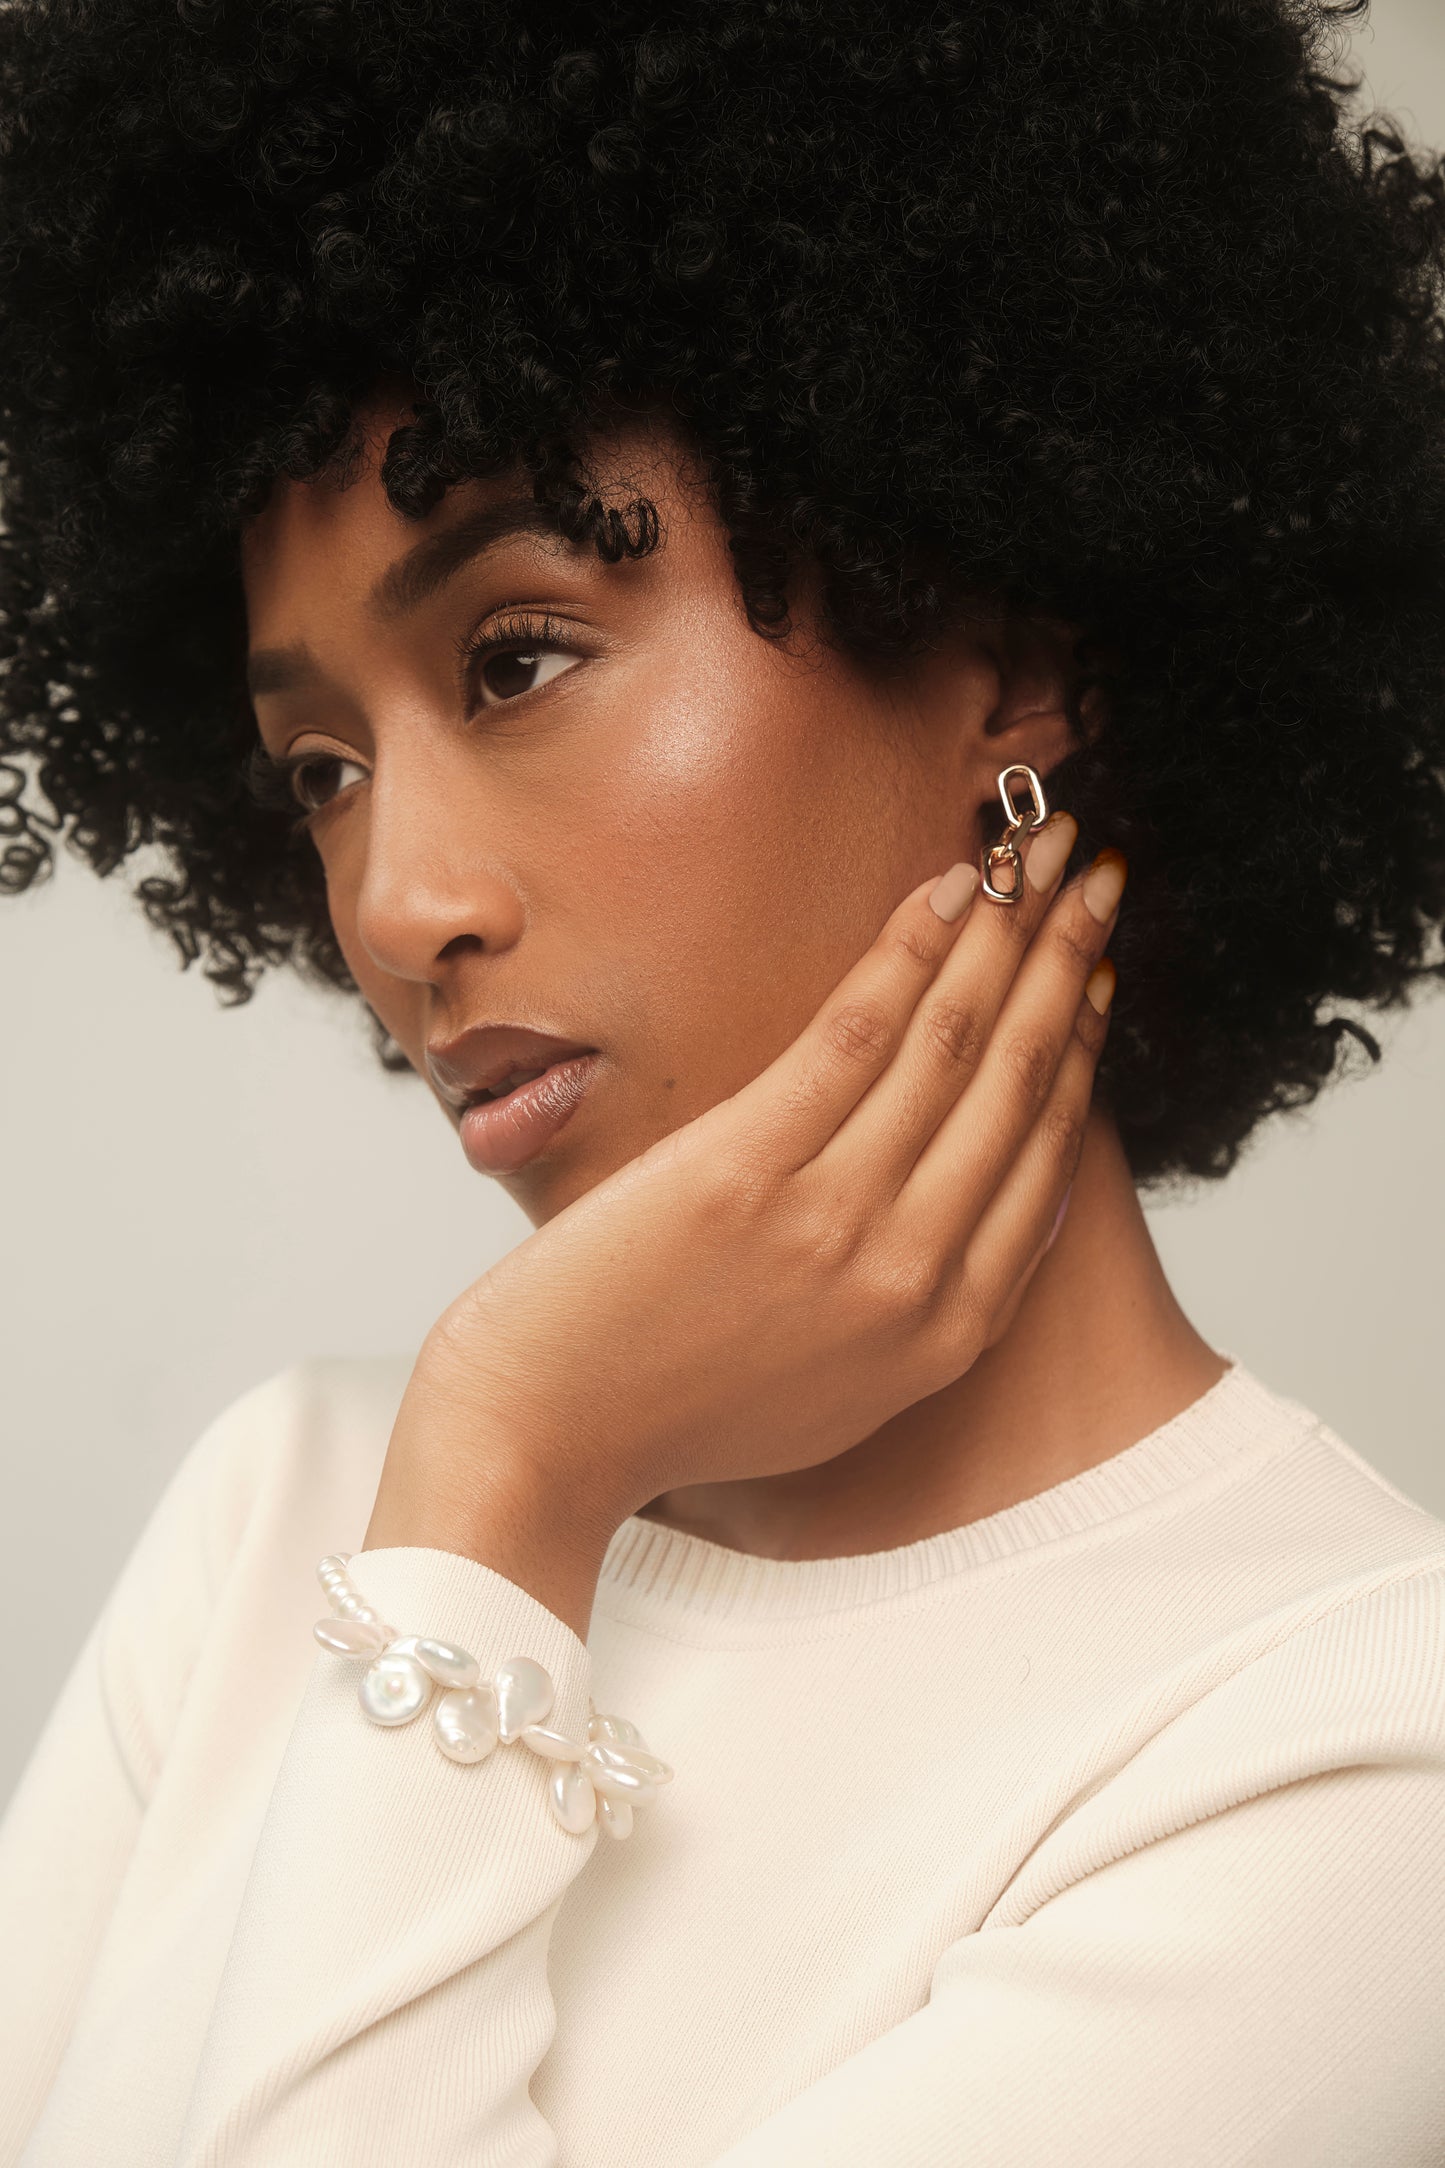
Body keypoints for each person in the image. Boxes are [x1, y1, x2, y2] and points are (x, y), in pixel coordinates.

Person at [2, 0, 1444, 2161]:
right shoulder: (292, 1516)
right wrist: (489, 1491)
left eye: (517, 657)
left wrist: (510, 1473)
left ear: (1004, 660)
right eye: (319, 769)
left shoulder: (1346, 1757)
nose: (395, 908)